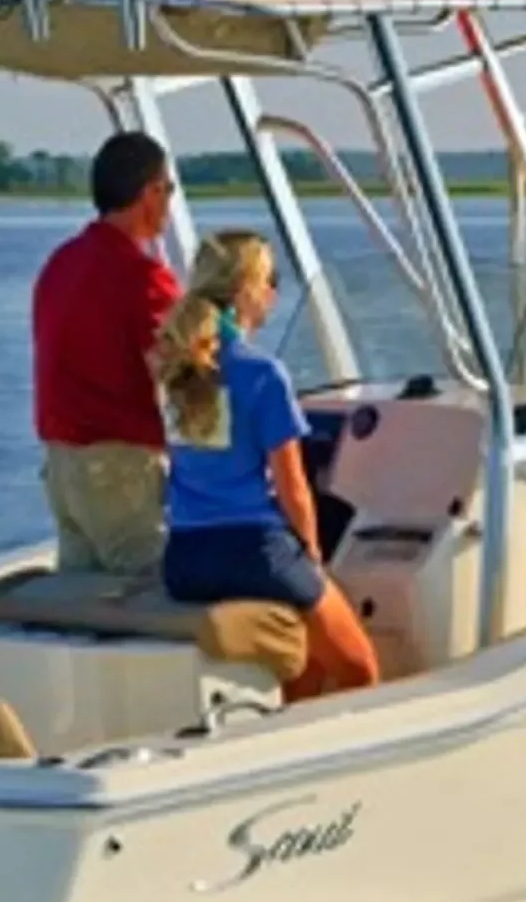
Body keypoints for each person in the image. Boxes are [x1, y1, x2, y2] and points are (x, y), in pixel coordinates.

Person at [150, 229, 381, 701]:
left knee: (306, 665)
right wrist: (311, 556)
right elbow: (292, 486)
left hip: (185, 560)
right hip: (254, 551)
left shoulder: (175, 370)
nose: (275, 293)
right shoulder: (262, 374)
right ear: (247, 291)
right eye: (270, 281)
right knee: (359, 669)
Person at [30, 131, 183, 577]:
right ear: (151, 192)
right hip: (118, 467)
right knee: (148, 592)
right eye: (169, 189)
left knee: (81, 595)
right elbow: (181, 375)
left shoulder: (61, 263)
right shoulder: (142, 278)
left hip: (62, 465)